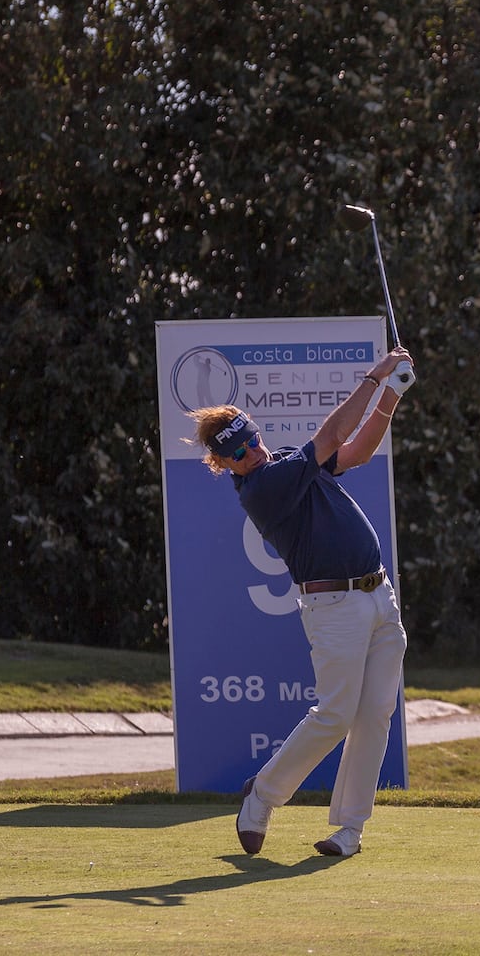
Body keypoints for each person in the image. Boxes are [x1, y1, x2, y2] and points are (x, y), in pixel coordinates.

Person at [187, 345, 415, 858]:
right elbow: (332, 437)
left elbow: (355, 452)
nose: (253, 452)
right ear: (222, 464)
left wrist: (392, 396)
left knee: (375, 717)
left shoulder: (285, 459)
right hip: (334, 608)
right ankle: (263, 796)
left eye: (253, 439)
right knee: (335, 714)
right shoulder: (261, 488)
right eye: (239, 452)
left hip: (380, 596)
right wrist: (376, 377)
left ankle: (350, 830)